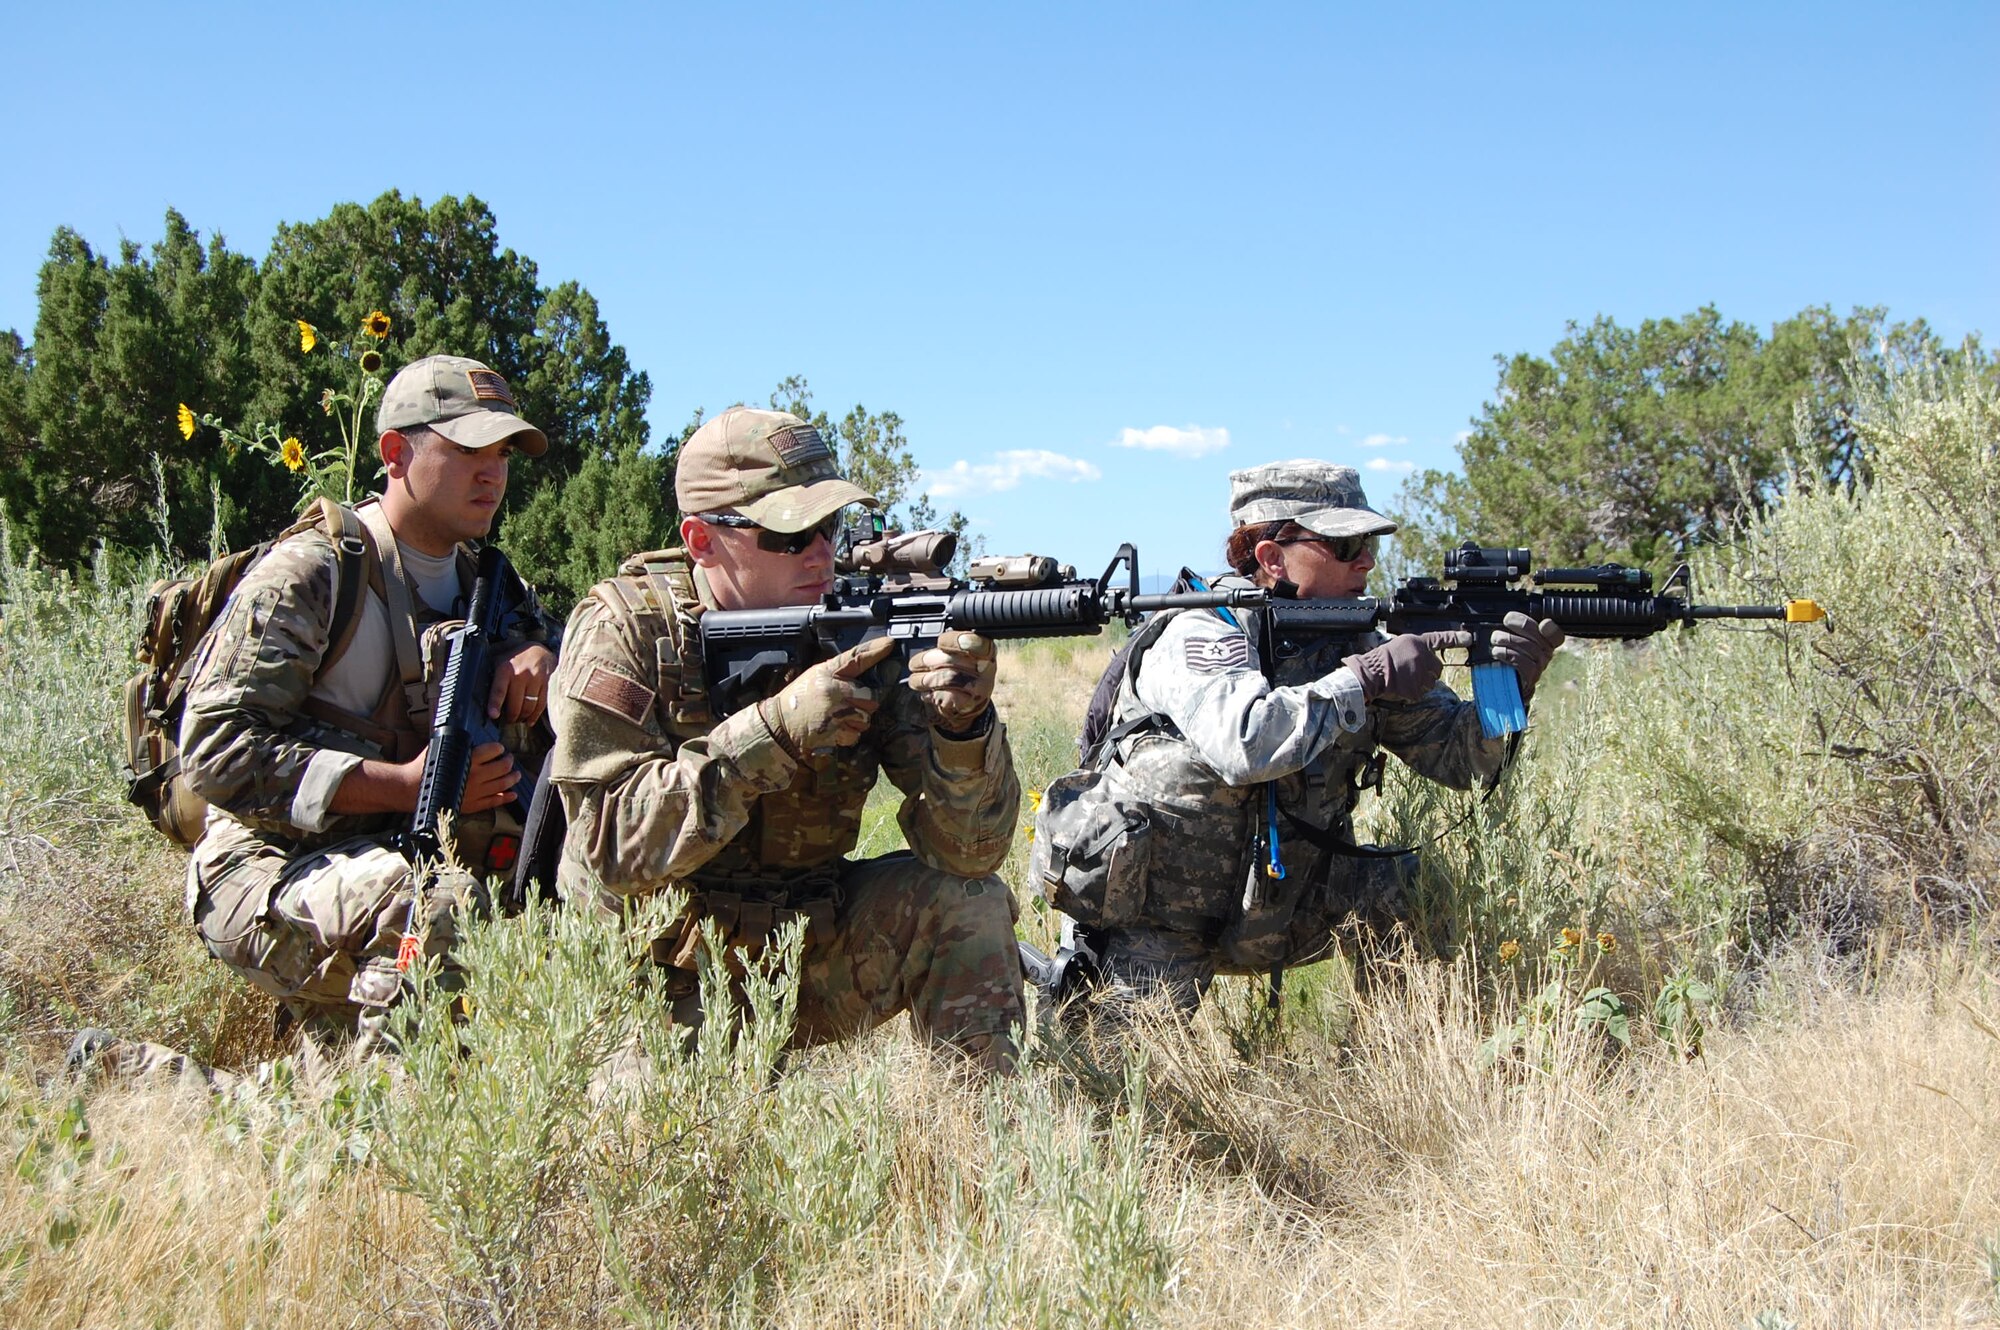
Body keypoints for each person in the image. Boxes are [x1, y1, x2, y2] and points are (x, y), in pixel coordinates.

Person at [546, 405, 1025, 1073]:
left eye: (829, 526)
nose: (821, 551)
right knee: (650, 1154)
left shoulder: (861, 631)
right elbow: (607, 845)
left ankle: (981, 1160)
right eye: (789, 534)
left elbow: (969, 853)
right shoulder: (627, 629)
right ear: (701, 539)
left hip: (805, 947)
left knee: (969, 903)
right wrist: (770, 734)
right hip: (651, 973)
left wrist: (962, 729)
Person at [1032, 459, 1565, 1015]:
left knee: (1411, 889)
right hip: (1162, 916)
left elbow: (1463, 761)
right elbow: (1245, 742)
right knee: (1126, 1088)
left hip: (1289, 901)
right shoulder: (1200, 626)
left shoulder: (1354, 643)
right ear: (1269, 556)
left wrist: (1510, 687)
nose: (1366, 560)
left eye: (1369, 543)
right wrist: (1364, 679)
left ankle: (1400, 1061)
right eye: (1345, 543)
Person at [169, 354, 556, 1053]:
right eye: (469, 448)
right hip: (266, 867)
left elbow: (558, 668)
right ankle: (399, 1133)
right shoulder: (314, 573)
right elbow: (213, 750)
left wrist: (541, 656)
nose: (493, 472)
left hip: (390, 859)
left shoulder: (492, 583)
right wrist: (404, 789)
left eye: (502, 453)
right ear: (394, 452)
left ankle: (144, 1072)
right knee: (430, 908)